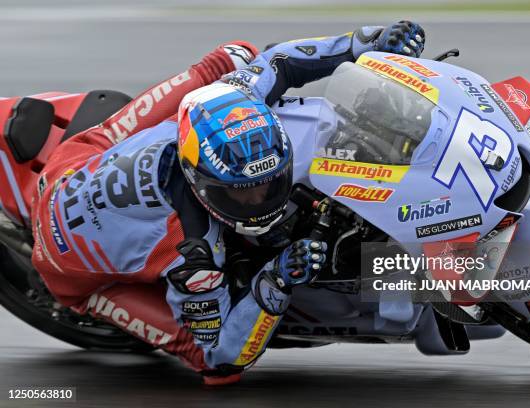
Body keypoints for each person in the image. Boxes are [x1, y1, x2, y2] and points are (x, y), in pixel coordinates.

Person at [29, 21, 426, 385]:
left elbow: (279, 62)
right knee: (207, 361)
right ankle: (80, 293)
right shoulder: (193, 254)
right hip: (66, 265)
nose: (260, 199)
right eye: (241, 193)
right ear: (202, 186)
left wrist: (365, 43)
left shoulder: (235, 98)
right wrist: (278, 277)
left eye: (269, 184)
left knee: (236, 55)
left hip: (78, 157)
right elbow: (221, 354)